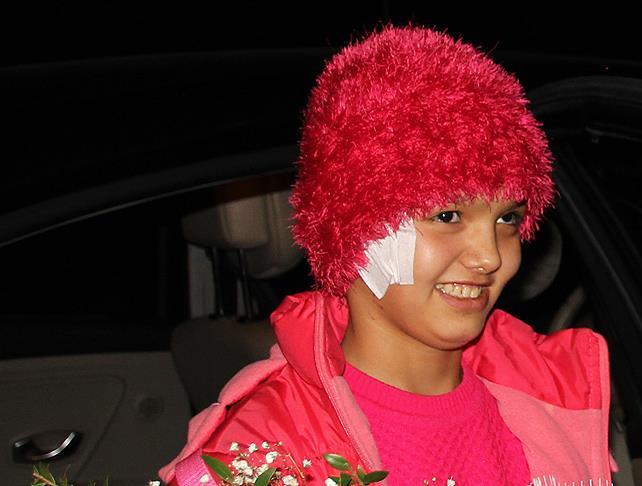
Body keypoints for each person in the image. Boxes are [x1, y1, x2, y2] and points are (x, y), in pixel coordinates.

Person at [160, 25, 615, 486]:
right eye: (447, 215)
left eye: (508, 219)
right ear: (353, 227)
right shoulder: (265, 457)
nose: (490, 257)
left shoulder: (555, 395)